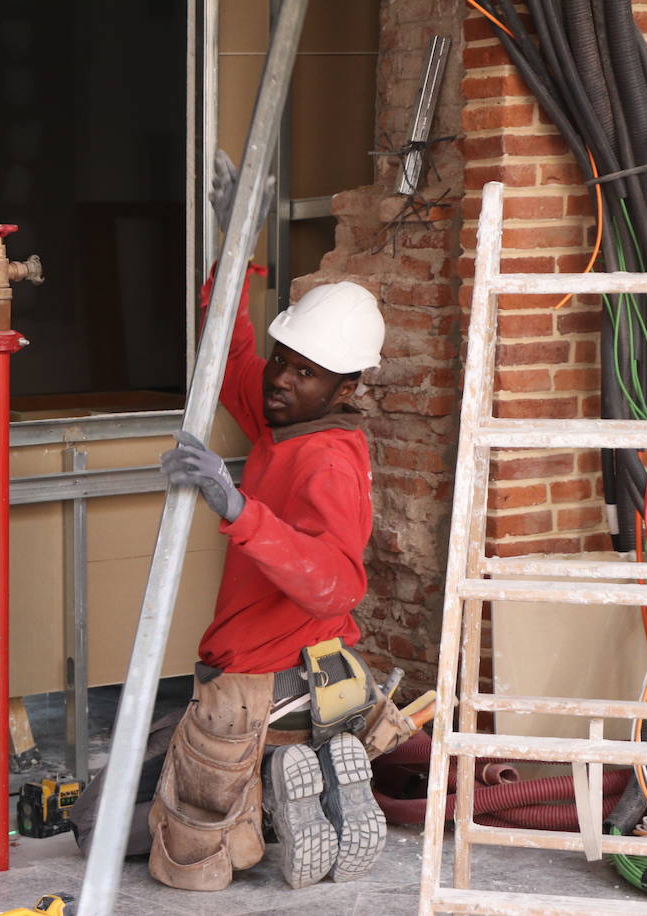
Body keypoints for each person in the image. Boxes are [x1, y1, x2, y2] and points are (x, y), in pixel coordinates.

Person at [144, 151, 394, 892]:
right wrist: (237, 240)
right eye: (285, 361)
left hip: (263, 673)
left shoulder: (328, 460)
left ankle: (283, 770)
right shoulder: (286, 420)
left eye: (305, 371)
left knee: (185, 867)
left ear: (346, 385)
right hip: (320, 670)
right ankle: (301, 776)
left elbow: (336, 582)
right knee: (126, 808)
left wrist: (235, 506)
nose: (281, 378)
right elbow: (228, 358)